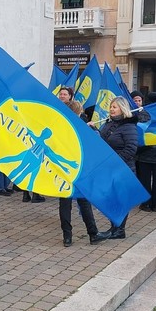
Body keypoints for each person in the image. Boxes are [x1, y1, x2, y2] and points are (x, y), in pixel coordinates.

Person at [57, 86, 105, 246]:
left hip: (64, 170)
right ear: (79, 113)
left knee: (65, 203)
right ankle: (93, 233)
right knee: (84, 202)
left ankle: (67, 236)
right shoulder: (84, 129)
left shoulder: (61, 128)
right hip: (81, 170)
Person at [94, 97, 139, 240]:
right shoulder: (109, 124)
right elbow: (102, 140)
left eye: (115, 107)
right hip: (109, 168)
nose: (112, 109)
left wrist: (115, 161)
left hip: (123, 168)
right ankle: (114, 228)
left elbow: (131, 148)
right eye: (111, 106)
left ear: (122, 108)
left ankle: (119, 230)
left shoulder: (129, 126)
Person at [135, 92, 156, 212]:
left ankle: (146, 203)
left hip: (146, 151)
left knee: (145, 179)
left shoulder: (143, 112)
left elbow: (139, 129)